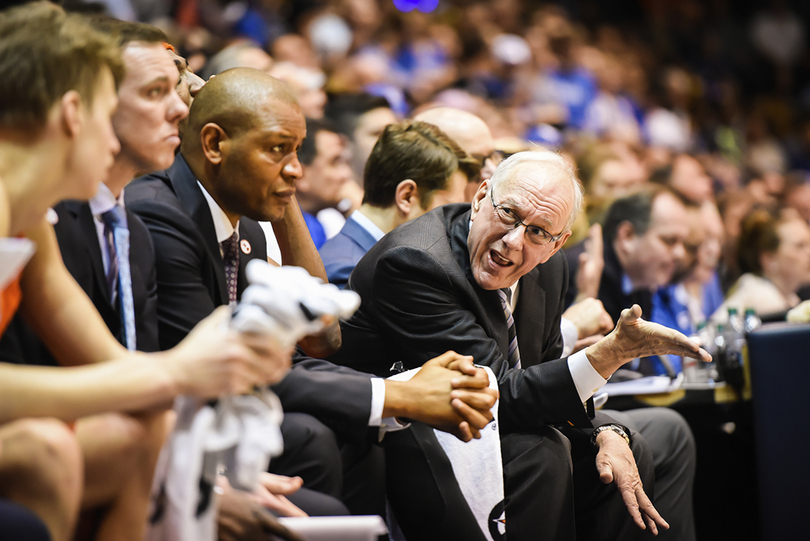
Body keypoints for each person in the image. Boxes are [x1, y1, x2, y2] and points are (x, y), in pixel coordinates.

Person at [125, 68, 498, 513]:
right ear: (214, 144)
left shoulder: (247, 226)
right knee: (316, 440)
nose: (297, 171)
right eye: (278, 150)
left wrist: (398, 387)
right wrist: (399, 396)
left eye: (298, 151)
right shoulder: (160, 214)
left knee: (352, 437)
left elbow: (303, 349)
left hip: (217, 411)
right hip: (162, 419)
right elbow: (218, 371)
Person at [0, 5, 290, 541]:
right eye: (106, 111)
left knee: (144, 428)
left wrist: (211, 356)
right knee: (48, 449)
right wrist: (179, 372)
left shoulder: (30, 217)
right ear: (71, 113)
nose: (112, 140)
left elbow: (113, 365)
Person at [332, 150, 709, 540]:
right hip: (393, 441)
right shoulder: (415, 263)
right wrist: (609, 354)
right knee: (540, 452)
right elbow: (498, 394)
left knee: (621, 453)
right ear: (480, 198)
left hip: (475, 426)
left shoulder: (549, 269)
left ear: (557, 244)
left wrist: (604, 432)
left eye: (538, 232)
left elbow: (540, 380)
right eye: (509, 213)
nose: (513, 241)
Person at [319, 119, 478, 288]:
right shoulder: (350, 272)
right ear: (406, 197)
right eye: (448, 210)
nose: (452, 225)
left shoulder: (371, 261)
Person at [712, 206, 810, 321]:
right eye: (800, 246)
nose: (809, 252)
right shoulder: (761, 296)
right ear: (768, 259)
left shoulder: (789, 297)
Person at [294, 118, 354, 248]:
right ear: (301, 175)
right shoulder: (288, 232)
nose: (346, 174)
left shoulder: (319, 224)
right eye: (335, 162)